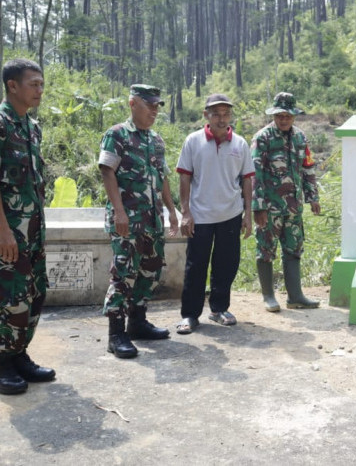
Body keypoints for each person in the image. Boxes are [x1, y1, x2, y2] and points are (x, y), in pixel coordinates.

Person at [98, 84, 178, 359]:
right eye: (150, 105)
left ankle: (138, 322)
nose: (155, 110)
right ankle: (115, 333)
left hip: (152, 220)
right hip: (127, 220)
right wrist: (119, 212)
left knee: (150, 270)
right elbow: (108, 172)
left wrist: (171, 210)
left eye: (157, 106)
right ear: (133, 104)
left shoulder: (155, 140)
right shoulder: (117, 135)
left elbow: (164, 177)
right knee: (123, 274)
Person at [175, 94, 254, 334]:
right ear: (206, 115)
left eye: (226, 114)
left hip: (230, 213)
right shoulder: (193, 141)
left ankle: (219, 309)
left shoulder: (240, 144)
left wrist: (248, 214)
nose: (222, 119)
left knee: (226, 264)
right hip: (200, 215)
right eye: (216, 114)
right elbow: (184, 177)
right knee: (195, 265)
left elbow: (247, 180)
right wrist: (186, 212)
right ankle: (190, 315)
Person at [0, 58, 55, 394]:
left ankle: (19, 353)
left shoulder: (31, 127)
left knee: (35, 292)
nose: (39, 90)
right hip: (9, 231)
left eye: (41, 84)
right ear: (12, 86)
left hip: (33, 231)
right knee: (10, 297)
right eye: (33, 84)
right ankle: (3, 361)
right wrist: (4, 230)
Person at [251, 92, 321, 311]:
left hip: (293, 206)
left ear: (294, 116)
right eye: (279, 115)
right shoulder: (262, 138)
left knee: (294, 248)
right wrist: (258, 207)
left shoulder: (300, 137)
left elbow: (307, 168)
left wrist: (313, 197)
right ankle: (268, 296)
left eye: (287, 116)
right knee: (266, 249)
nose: (283, 119)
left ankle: (295, 296)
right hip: (270, 208)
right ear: (274, 115)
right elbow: (255, 174)